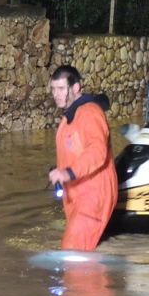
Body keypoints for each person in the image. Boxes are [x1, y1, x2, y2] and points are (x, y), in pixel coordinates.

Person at [47, 65, 118, 251]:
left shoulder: (89, 113)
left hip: (93, 194)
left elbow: (97, 151)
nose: (56, 94)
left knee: (72, 252)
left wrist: (68, 172)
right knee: (77, 249)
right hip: (76, 194)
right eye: (53, 89)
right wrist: (61, 172)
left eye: (61, 88)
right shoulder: (69, 117)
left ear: (76, 88)